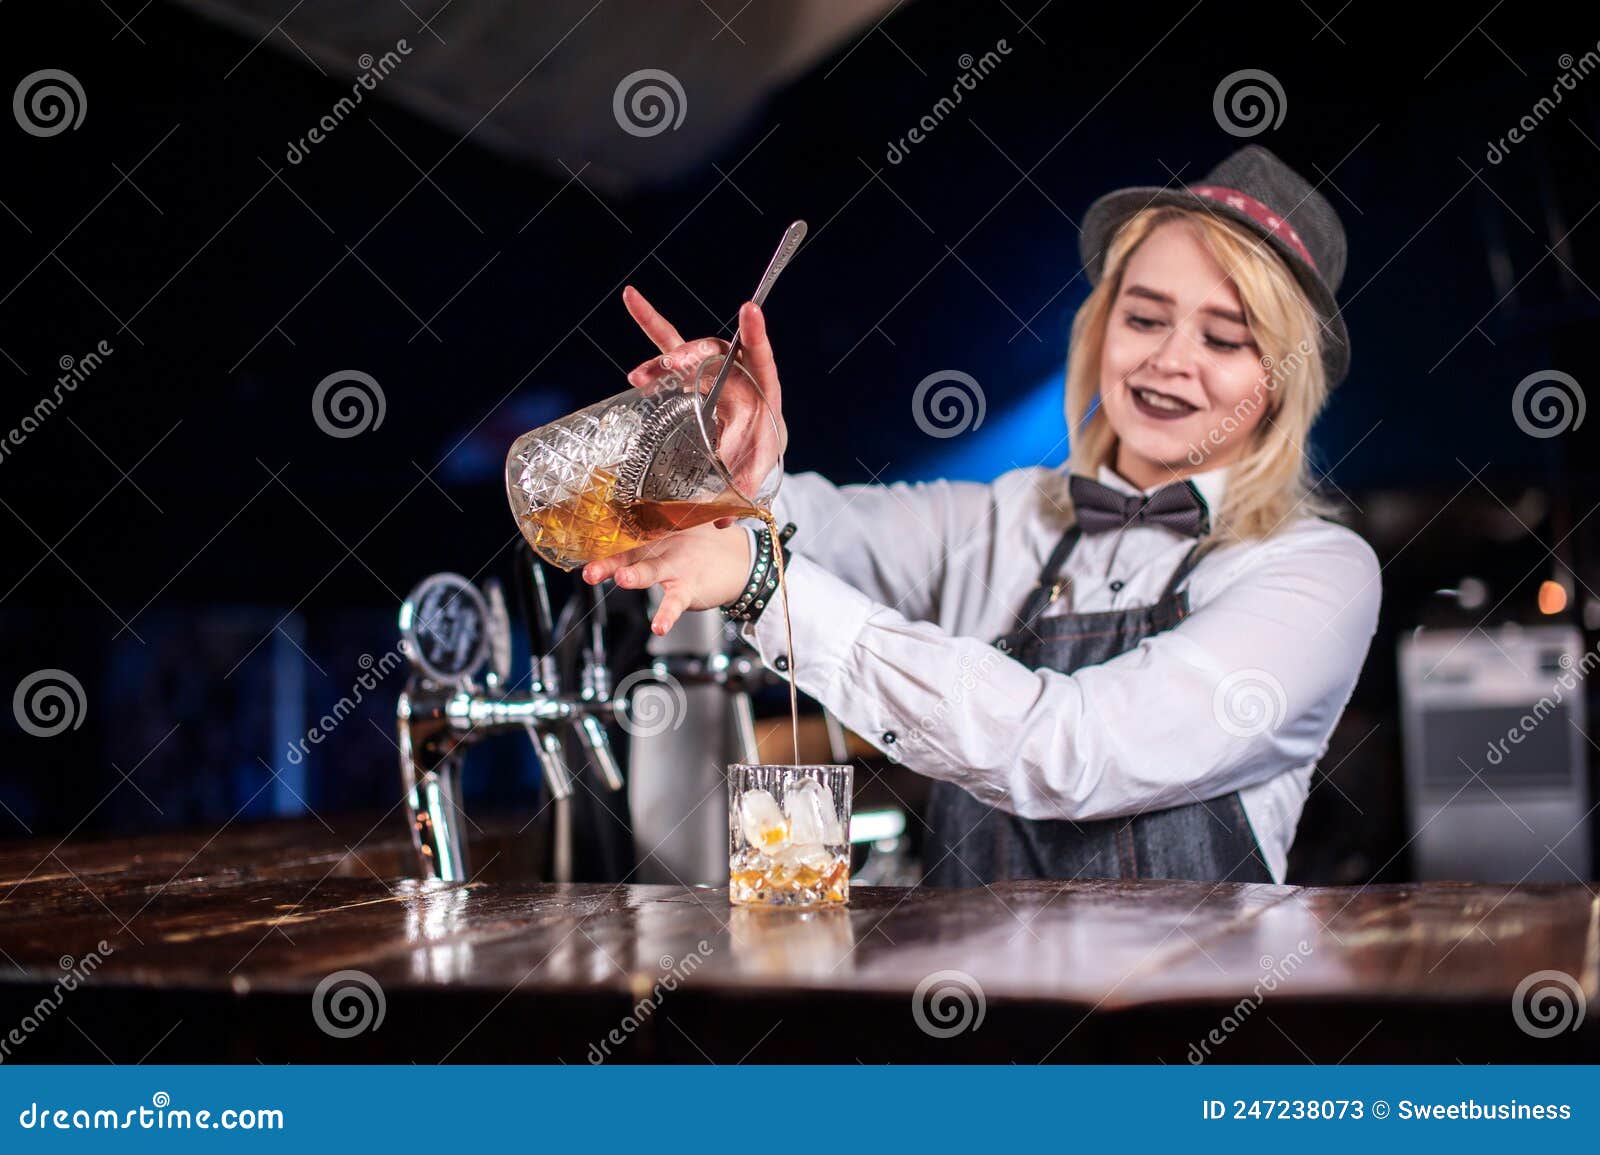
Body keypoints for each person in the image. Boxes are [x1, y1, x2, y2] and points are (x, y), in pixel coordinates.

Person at [582, 144, 1381, 886]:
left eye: (1225, 337)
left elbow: (1075, 750)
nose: (1169, 359)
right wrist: (733, 464)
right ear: (1102, 328)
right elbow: (816, 525)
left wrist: (761, 582)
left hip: (1179, 1033)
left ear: (1279, 378)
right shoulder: (998, 521)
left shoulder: (1317, 573)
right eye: (1143, 318)